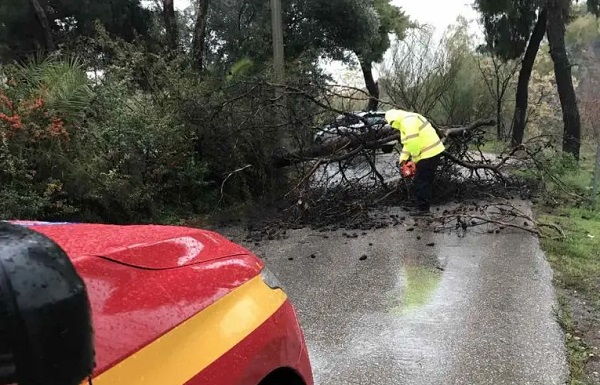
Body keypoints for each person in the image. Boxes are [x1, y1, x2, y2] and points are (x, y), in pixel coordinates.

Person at [385, 109, 445, 216]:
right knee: (425, 180)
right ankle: (424, 205)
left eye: (392, 123)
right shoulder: (406, 122)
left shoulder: (408, 121)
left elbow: (413, 143)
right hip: (431, 152)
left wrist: (414, 161)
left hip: (429, 153)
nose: (393, 126)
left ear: (394, 119)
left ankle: (423, 209)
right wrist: (403, 161)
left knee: (421, 181)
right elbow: (407, 144)